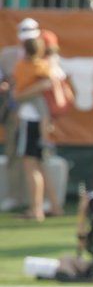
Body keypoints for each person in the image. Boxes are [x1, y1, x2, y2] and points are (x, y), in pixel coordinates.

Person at [12, 36, 63, 221]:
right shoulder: (44, 65)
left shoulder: (25, 66)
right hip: (41, 121)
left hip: (30, 121)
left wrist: (20, 94)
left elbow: (19, 92)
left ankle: (36, 209)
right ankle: (54, 206)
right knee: (40, 166)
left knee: (31, 166)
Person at [0, 18, 41, 212]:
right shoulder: (7, 54)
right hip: (14, 111)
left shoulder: (44, 53)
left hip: (37, 113)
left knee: (35, 157)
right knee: (13, 152)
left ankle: (36, 201)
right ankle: (14, 196)